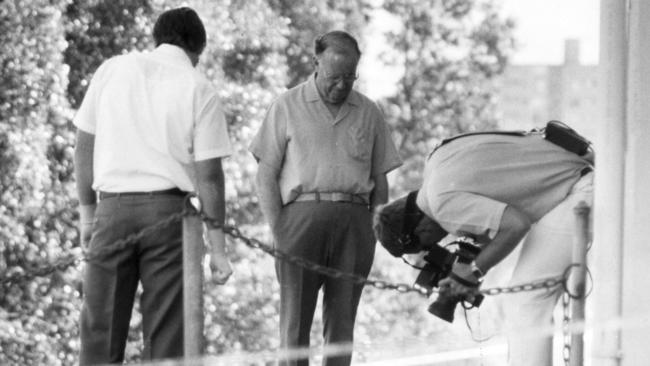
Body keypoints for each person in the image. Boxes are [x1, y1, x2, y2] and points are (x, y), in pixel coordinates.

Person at [73, 7, 233, 365]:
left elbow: (83, 146)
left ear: (156, 38)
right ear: (198, 50)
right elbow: (209, 176)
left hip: (111, 211)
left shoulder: (112, 69)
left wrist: (87, 216)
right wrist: (218, 249)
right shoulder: (198, 86)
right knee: (167, 337)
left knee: (100, 332)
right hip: (168, 215)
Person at [373, 127, 594, 366]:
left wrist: (474, 270)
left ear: (418, 232)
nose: (435, 245)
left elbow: (516, 225)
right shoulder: (436, 160)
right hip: (578, 173)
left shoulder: (442, 206)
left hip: (579, 190)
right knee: (520, 298)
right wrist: (471, 268)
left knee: (526, 300)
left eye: (425, 247)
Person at [250, 30, 402, 366]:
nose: (342, 85)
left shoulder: (369, 111)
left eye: (350, 77)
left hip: (355, 222)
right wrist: (279, 228)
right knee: (295, 324)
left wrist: (374, 230)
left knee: (342, 324)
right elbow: (265, 173)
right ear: (316, 63)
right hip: (299, 220)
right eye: (335, 77)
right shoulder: (286, 105)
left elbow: (380, 179)